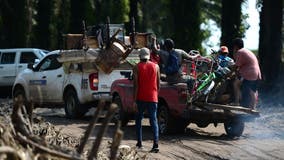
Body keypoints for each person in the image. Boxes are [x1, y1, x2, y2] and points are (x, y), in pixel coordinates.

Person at [133, 47, 160, 153]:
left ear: (140, 56)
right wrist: (154, 95)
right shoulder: (156, 66)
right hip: (153, 97)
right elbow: (158, 84)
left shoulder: (136, 67)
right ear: (148, 56)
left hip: (140, 98)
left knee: (138, 119)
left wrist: (134, 101)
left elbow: (136, 85)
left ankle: (139, 143)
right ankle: (155, 145)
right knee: (153, 121)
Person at [232, 38, 261, 109]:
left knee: (236, 84)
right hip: (256, 72)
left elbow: (236, 66)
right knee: (253, 90)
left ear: (235, 46)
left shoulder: (240, 52)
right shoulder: (246, 51)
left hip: (250, 73)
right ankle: (253, 107)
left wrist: (230, 73)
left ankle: (237, 102)